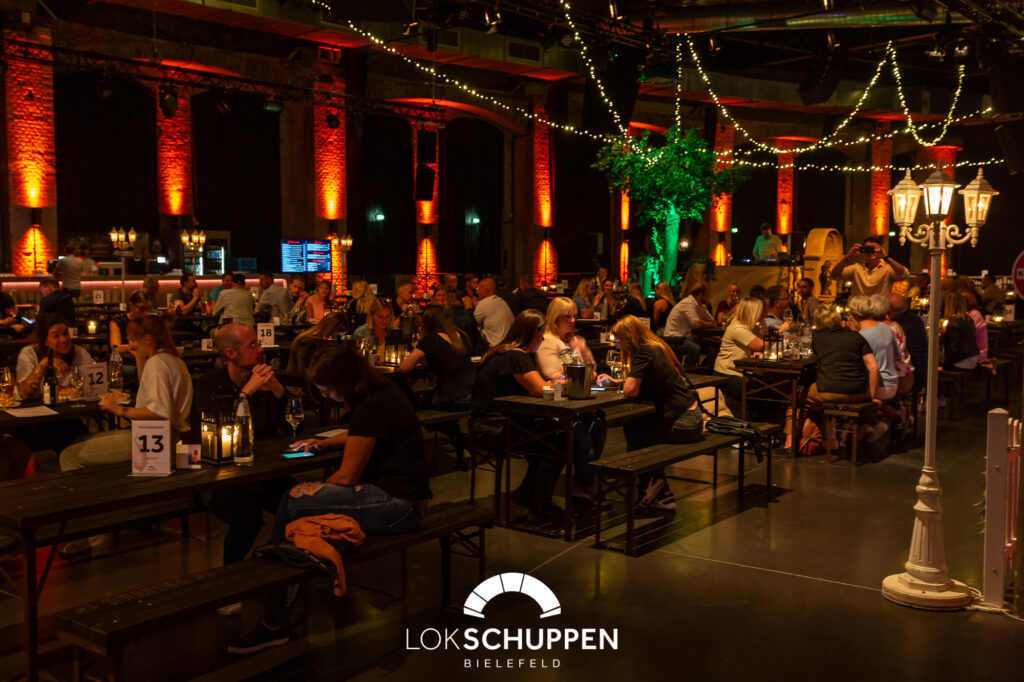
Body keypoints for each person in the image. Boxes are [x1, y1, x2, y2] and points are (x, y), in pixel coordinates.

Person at [231, 344, 430, 653]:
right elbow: (363, 432)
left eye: (326, 389)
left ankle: (273, 615)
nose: (325, 395)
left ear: (343, 382)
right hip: (404, 500)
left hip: (399, 505)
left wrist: (315, 492)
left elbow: (347, 477)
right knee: (300, 507)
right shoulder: (381, 390)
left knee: (295, 501)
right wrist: (325, 444)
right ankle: (277, 594)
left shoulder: (371, 404)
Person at [195, 323, 290, 569]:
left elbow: (292, 426)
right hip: (220, 477)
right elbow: (219, 432)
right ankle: (230, 578)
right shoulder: (209, 384)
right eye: (253, 345)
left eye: (258, 343)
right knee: (248, 516)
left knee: (298, 502)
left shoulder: (264, 381)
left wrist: (278, 389)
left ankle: (274, 560)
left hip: (263, 471)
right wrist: (246, 393)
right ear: (231, 354)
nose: (261, 349)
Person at [468, 310, 565, 521]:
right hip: (494, 428)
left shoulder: (502, 352)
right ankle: (540, 505)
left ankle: (528, 494)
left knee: (550, 435)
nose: (543, 339)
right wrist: (568, 383)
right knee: (558, 442)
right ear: (533, 333)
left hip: (483, 424)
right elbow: (540, 389)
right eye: (542, 334)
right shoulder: (517, 355)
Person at [60, 316, 192, 471]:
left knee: (68, 456)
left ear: (147, 339)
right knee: (81, 441)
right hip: (171, 436)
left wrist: (120, 409)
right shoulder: (173, 359)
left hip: (156, 438)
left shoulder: (157, 363)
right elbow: (149, 389)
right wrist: (140, 358)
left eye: (133, 340)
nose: (130, 345)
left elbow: (160, 411)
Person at [609, 315, 700, 511]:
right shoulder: (658, 347)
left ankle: (649, 487)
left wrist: (622, 384)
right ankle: (660, 491)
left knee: (636, 431)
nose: (616, 344)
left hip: (682, 423)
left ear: (629, 337)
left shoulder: (644, 351)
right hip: (692, 417)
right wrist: (617, 382)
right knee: (636, 426)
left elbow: (631, 390)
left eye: (618, 339)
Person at [795, 304, 886, 454]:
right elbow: (874, 368)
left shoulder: (817, 337)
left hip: (830, 391)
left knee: (797, 399)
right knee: (819, 401)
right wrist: (871, 396)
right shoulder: (856, 336)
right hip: (858, 393)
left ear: (817, 321)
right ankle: (830, 438)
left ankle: (791, 443)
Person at [399, 306, 476, 469]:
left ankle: (456, 436)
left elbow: (405, 368)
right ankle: (459, 438)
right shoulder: (462, 335)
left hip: (452, 396)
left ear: (427, 323)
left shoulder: (431, 339)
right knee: (426, 402)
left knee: (415, 408)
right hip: (473, 393)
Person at [16, 313, 94, 401]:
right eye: (56, 336)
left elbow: (96, 384)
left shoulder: (78, 352)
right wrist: (44, 363)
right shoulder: (29, 353)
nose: (64, 339)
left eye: (66, 333)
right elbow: (23, 394)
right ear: (45, 341)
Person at [713, 297, 765, 416]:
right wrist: (780, 332)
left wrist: (756, 351)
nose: (763, 314)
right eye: (760, 311)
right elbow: (761, 345)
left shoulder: (752, 327)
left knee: (771, 387)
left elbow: (759, 347)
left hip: (740, 372)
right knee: (764, 392)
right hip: (727, 374)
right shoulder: (738, 328)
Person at [847, 295, 900, 402]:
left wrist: (853, 334)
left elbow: (853, 363)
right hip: (893, 384)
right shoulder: (885, 327)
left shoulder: (860, 335)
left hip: (876, 387)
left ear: (852, 314)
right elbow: (896, 355)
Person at [535, 297, 596, 381]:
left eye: (574, 316)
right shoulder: (546, 340)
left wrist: (584, 351)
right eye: (568, 316)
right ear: (555, 318)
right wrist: (586, 374)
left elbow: (593, 369)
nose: (573, 320)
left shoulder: (575, 339)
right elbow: (552, 375)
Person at [829, 235, 908, 297]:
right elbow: (834, 276)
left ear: (880, 249)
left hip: (879, 310)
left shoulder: (887, 269)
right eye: (867, 249)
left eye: (873, 248)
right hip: (859, 311)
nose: (870, 252)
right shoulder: (856, 268)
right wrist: (847, 257)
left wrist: (886, 257)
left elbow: (904, 274)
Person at [663, 280, 715, 366]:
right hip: (674, 338)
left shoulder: (701, 305)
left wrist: (706, 323)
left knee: (714, 345)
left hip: (686, 337)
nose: (709, 296)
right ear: (701, 294)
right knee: (695, 349)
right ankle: (686, 370)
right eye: (708, 293)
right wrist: (708, 324)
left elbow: (712, 321)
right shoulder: (688, 303)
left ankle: (703, 369)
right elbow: (697, 324)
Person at [286, 312, 350, 374]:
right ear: (330, 330)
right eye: (338, 336)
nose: (336, 340)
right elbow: (304, 370)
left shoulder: (317, 340)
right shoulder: (307, 342)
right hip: (299, 379)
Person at [889, 292, 927, 394]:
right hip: (922, 368)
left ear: (888, 309)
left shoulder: (895, 325)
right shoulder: (915, 319)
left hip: (910, 373)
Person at [941, 292, 980, 371]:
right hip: (973, 358)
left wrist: (945, 367)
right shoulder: (969, 319)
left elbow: (953, 348)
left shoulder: (953, 322)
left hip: (960, 361)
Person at [474, 278, 514, 348]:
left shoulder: (484, 303)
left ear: (486, 291)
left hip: (498, 348)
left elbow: (472, 322)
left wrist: (471, 307)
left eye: (478, 289)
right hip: (510, 345)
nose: (477, 292)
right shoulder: (501, 301)